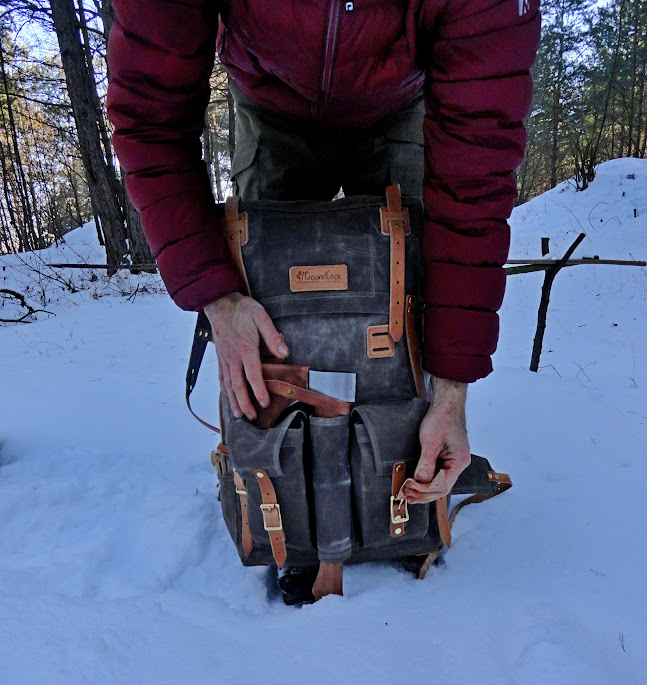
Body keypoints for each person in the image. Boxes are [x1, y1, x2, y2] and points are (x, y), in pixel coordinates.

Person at [107, 0, 540, 599]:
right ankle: (283, 500)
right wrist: (219, 296)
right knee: (273, 330)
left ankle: (404, 478)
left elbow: (472, 184)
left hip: (404, 98)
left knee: (401, 322)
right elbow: (148, 115)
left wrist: (451, 390)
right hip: (269, 97)